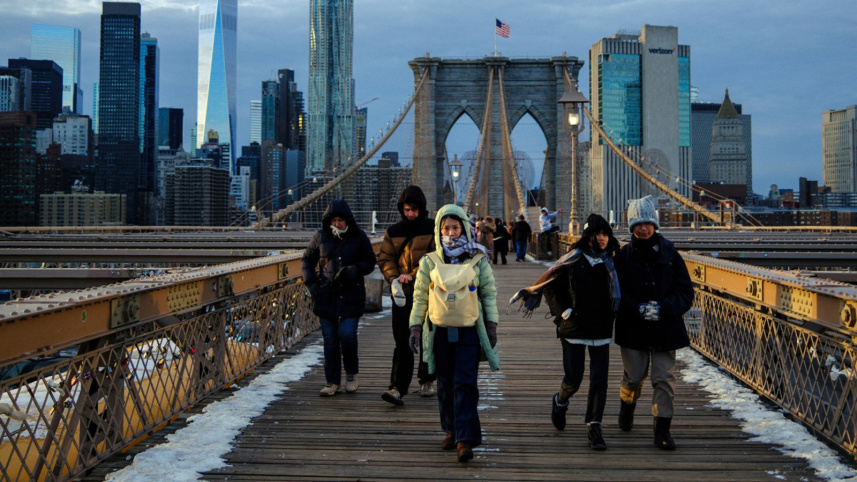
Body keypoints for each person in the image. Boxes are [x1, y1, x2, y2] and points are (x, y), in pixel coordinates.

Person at [509, 213, 620, 450]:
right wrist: (565, 312)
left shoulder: (613, 262)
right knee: (574, 378)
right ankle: (560, 401)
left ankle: (594, 425)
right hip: (574, 326)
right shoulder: (572, 261)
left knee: (600, 380)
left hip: (601, 328)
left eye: (605, 234)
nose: (602, 239)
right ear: (588, 236)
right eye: (597, 234)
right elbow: (550, 289)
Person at [408, 204, 500, 463]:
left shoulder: (478, 259)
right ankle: (451, 430)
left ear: (464, 229)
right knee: (446, 384)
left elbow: (489, 293)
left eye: (455, 227)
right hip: (439, 330)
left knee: (466, 384)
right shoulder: (429, 262)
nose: (450, 232)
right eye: (445, 227)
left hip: (470, 330)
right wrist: (416, 326)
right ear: (438, 230)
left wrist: (491, 324)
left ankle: (465, 438)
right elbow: (419, 298)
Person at [614, 196, 693, 450]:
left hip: (664, 327)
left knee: (663, 379)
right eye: (638, 223)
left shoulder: (671, 254)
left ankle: (662, 431)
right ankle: (627, 404)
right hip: (633, 326)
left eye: (647, 223)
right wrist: (637, 308)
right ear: (631, 227)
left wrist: (662, 308)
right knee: (634, 377)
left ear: (655, 224)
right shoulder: (623, 257)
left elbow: (685, 292)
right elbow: (615, 293)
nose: (643, 228)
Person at [302, 199, 377, 397]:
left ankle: (351, 374)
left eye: (341, 220)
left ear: (347, 221)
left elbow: (370, 262)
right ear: (328, 221)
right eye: (334, 220)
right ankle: (332, 382)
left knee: (347, 335)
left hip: (351, 296)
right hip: (326, 296)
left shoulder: (359, 237)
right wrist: (311, 283)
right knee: (330, 340)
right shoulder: (319, 236)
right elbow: (307, 260)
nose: (337, 224)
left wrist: (355, 269)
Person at [376, 185, 437, 405]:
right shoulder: (393, 231)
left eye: (413, 209)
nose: (409, 213)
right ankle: (397, 388)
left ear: (421, 208)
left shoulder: (432, 228)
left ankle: (427, 380)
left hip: (428, 294)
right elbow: (384, 258)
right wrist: (394, 279)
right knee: (402, 341)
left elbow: (435, 257)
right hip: (401, 295)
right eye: (406, 209)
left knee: (428, 338)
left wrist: (412, 275)